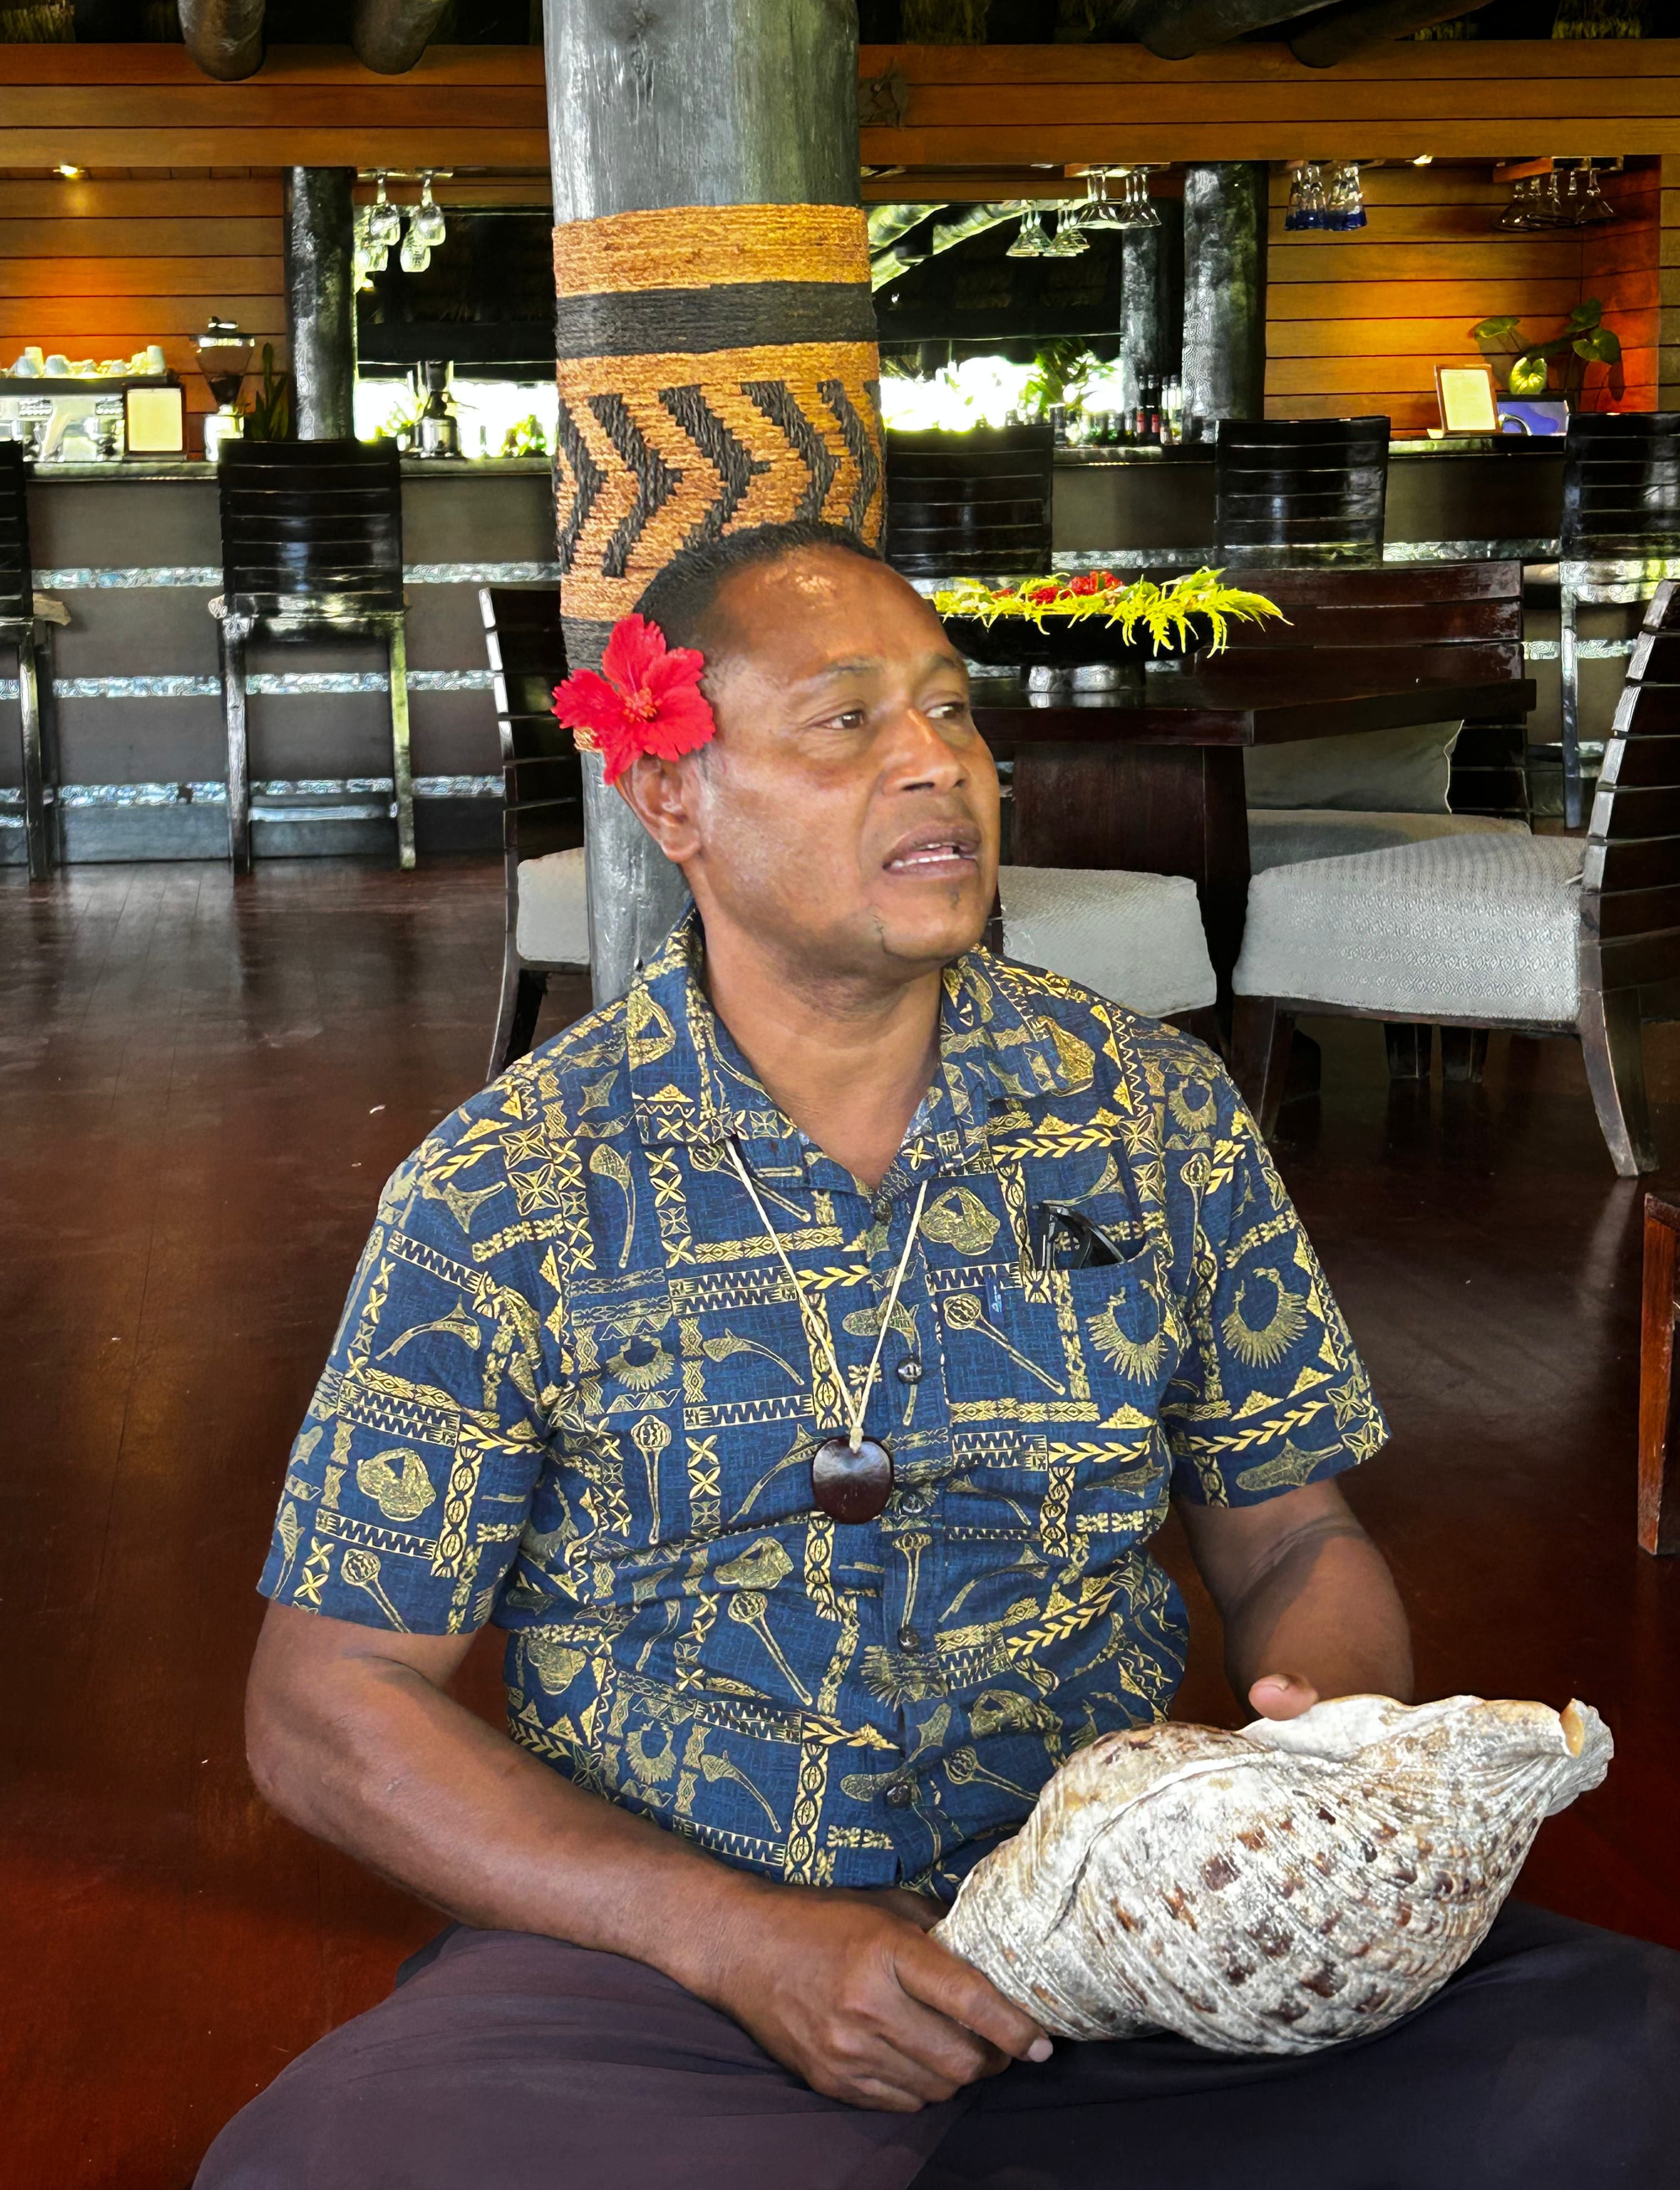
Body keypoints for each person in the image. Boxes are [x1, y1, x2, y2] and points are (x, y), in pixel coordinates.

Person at [198, 522, 1678, 2190]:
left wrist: (1307, 1799)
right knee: (333, 2166)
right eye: (848, 722)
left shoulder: (1153, 1116)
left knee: (1623, 2067)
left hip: (1121, 1937)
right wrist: (743, 1941)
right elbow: (326, 1705)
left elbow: (1296, 1534)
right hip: (672, 1967)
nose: (939, 765)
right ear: (674, 794)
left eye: (955, 713)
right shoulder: (512, 1188)